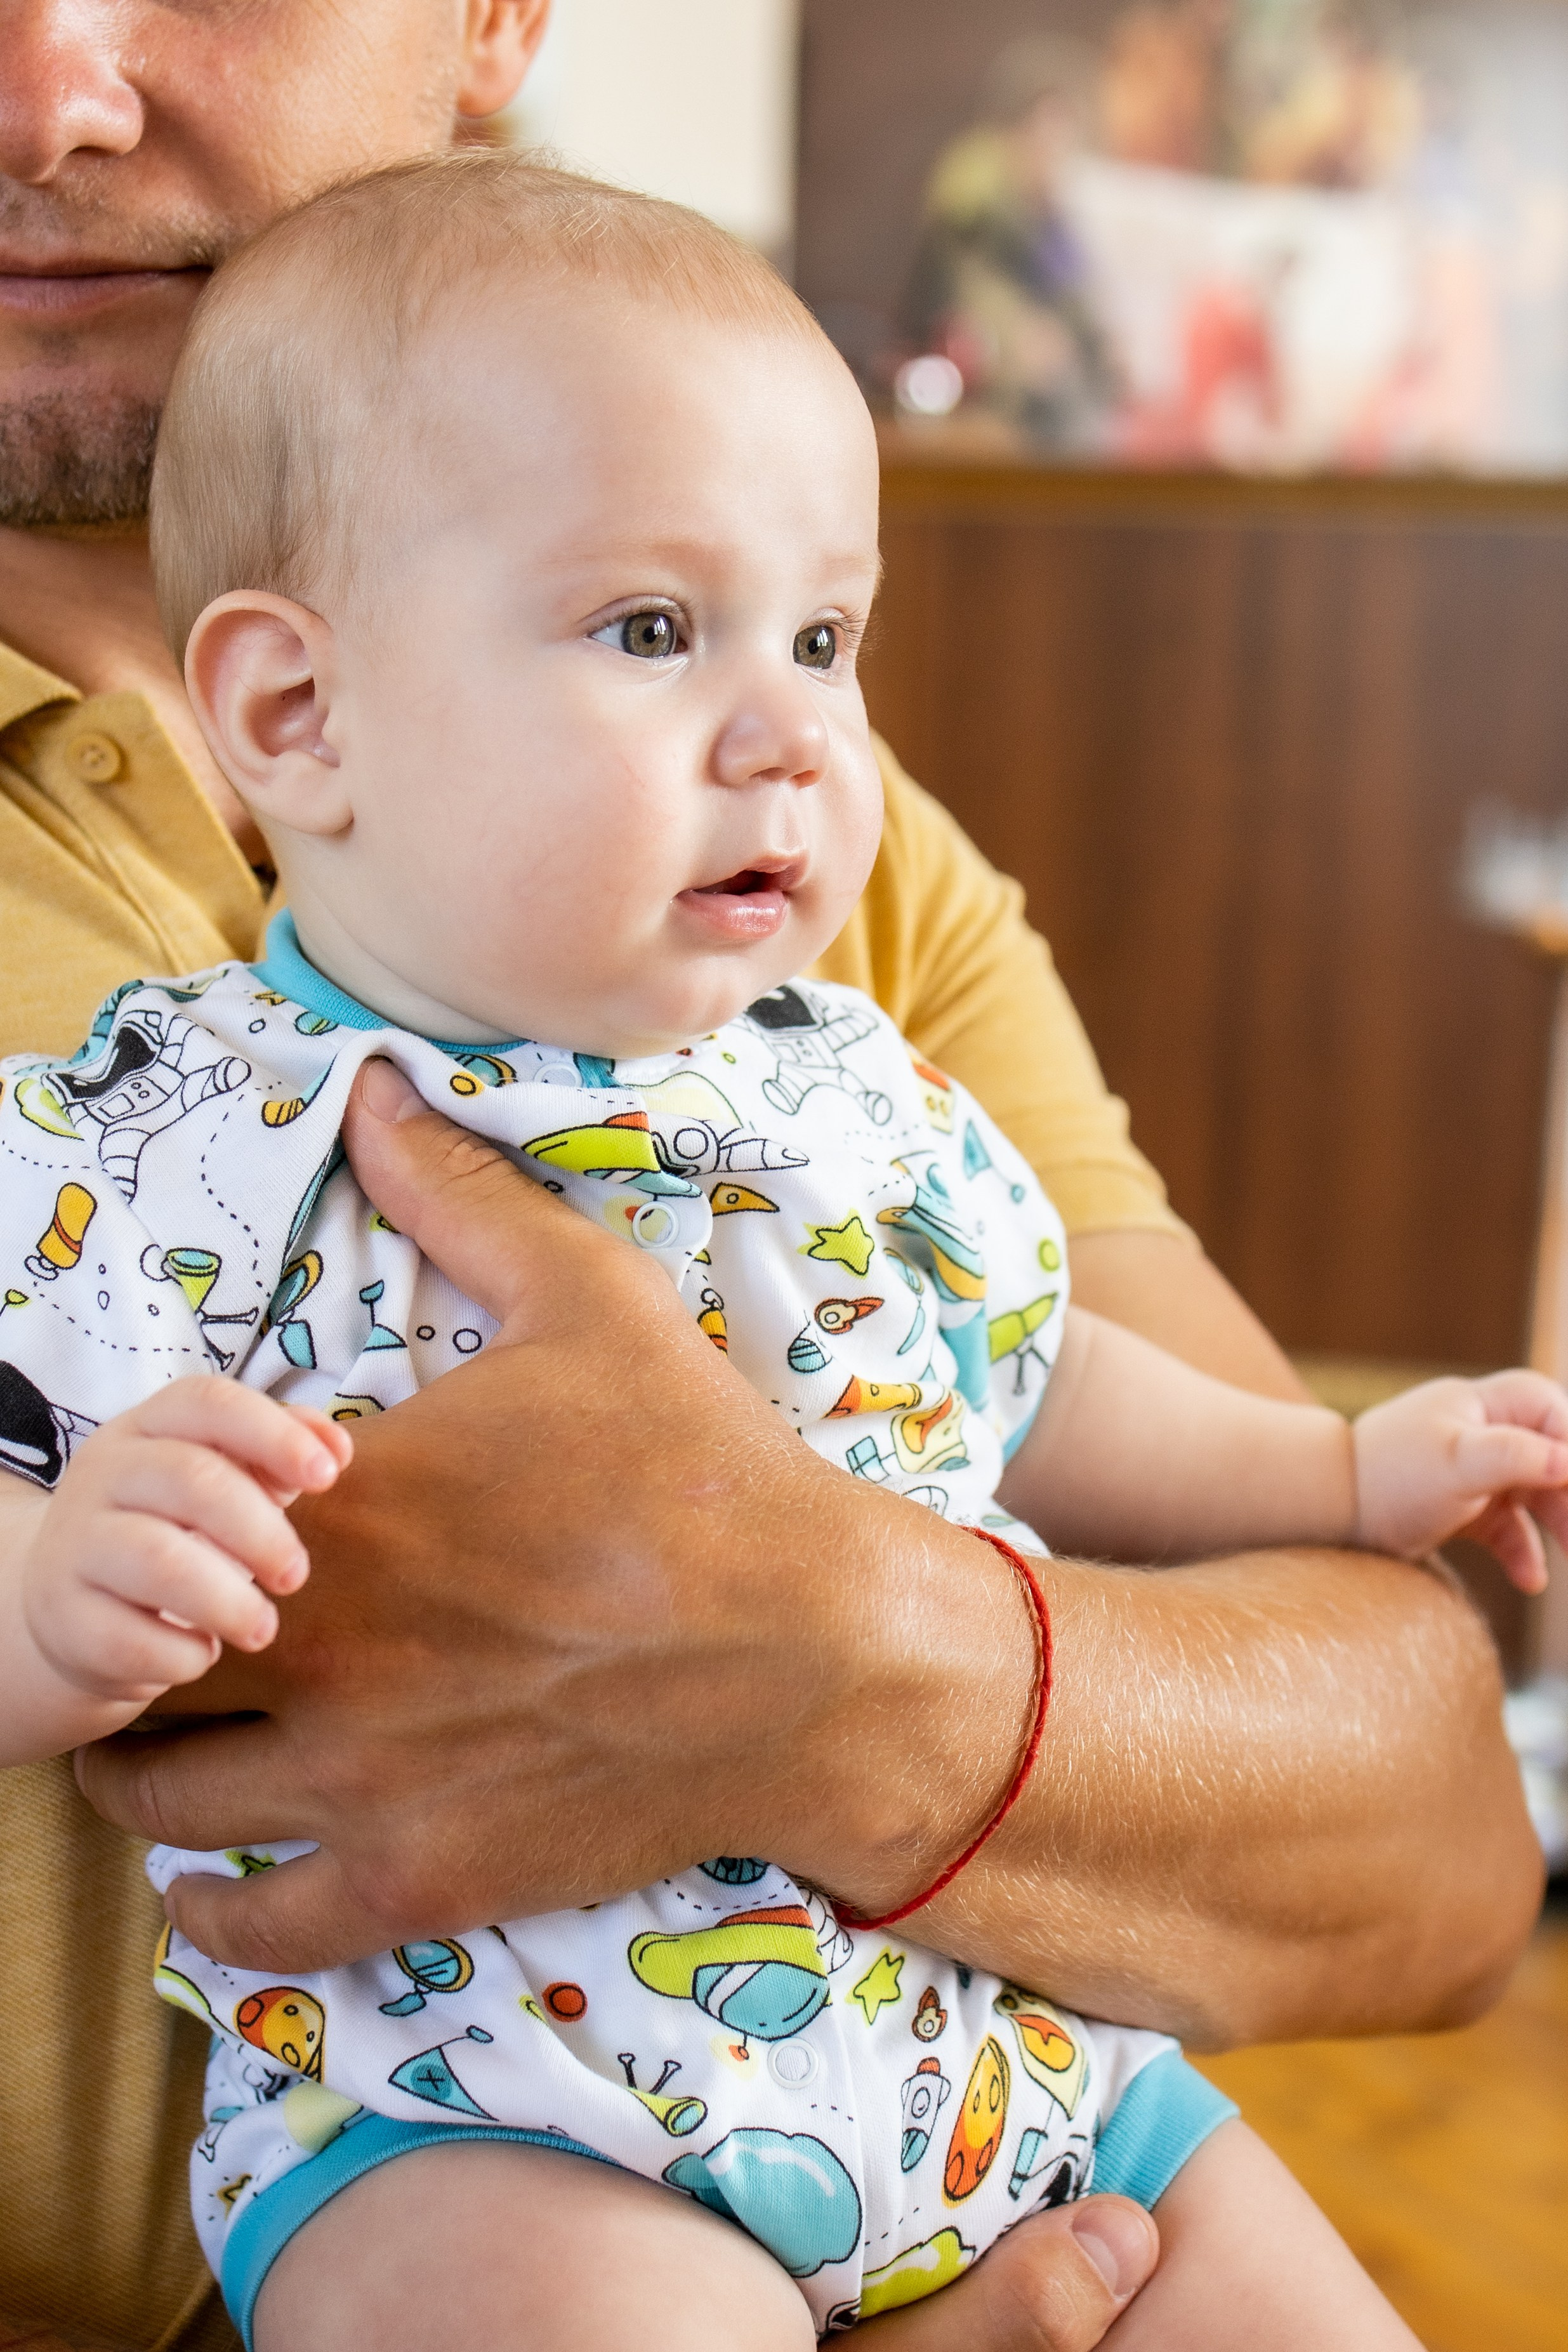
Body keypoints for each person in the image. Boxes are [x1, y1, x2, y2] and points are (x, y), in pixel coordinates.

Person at [0, 8, 1540, 2350]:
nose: (48, 92)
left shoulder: (815, 979)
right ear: (292, 708)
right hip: (495, 2114)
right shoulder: (169, 1122)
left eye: (827, 636)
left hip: (999, 2084)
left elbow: (1412, 1809)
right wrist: (52, 1602)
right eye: (651, 629)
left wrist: (884, 1630)